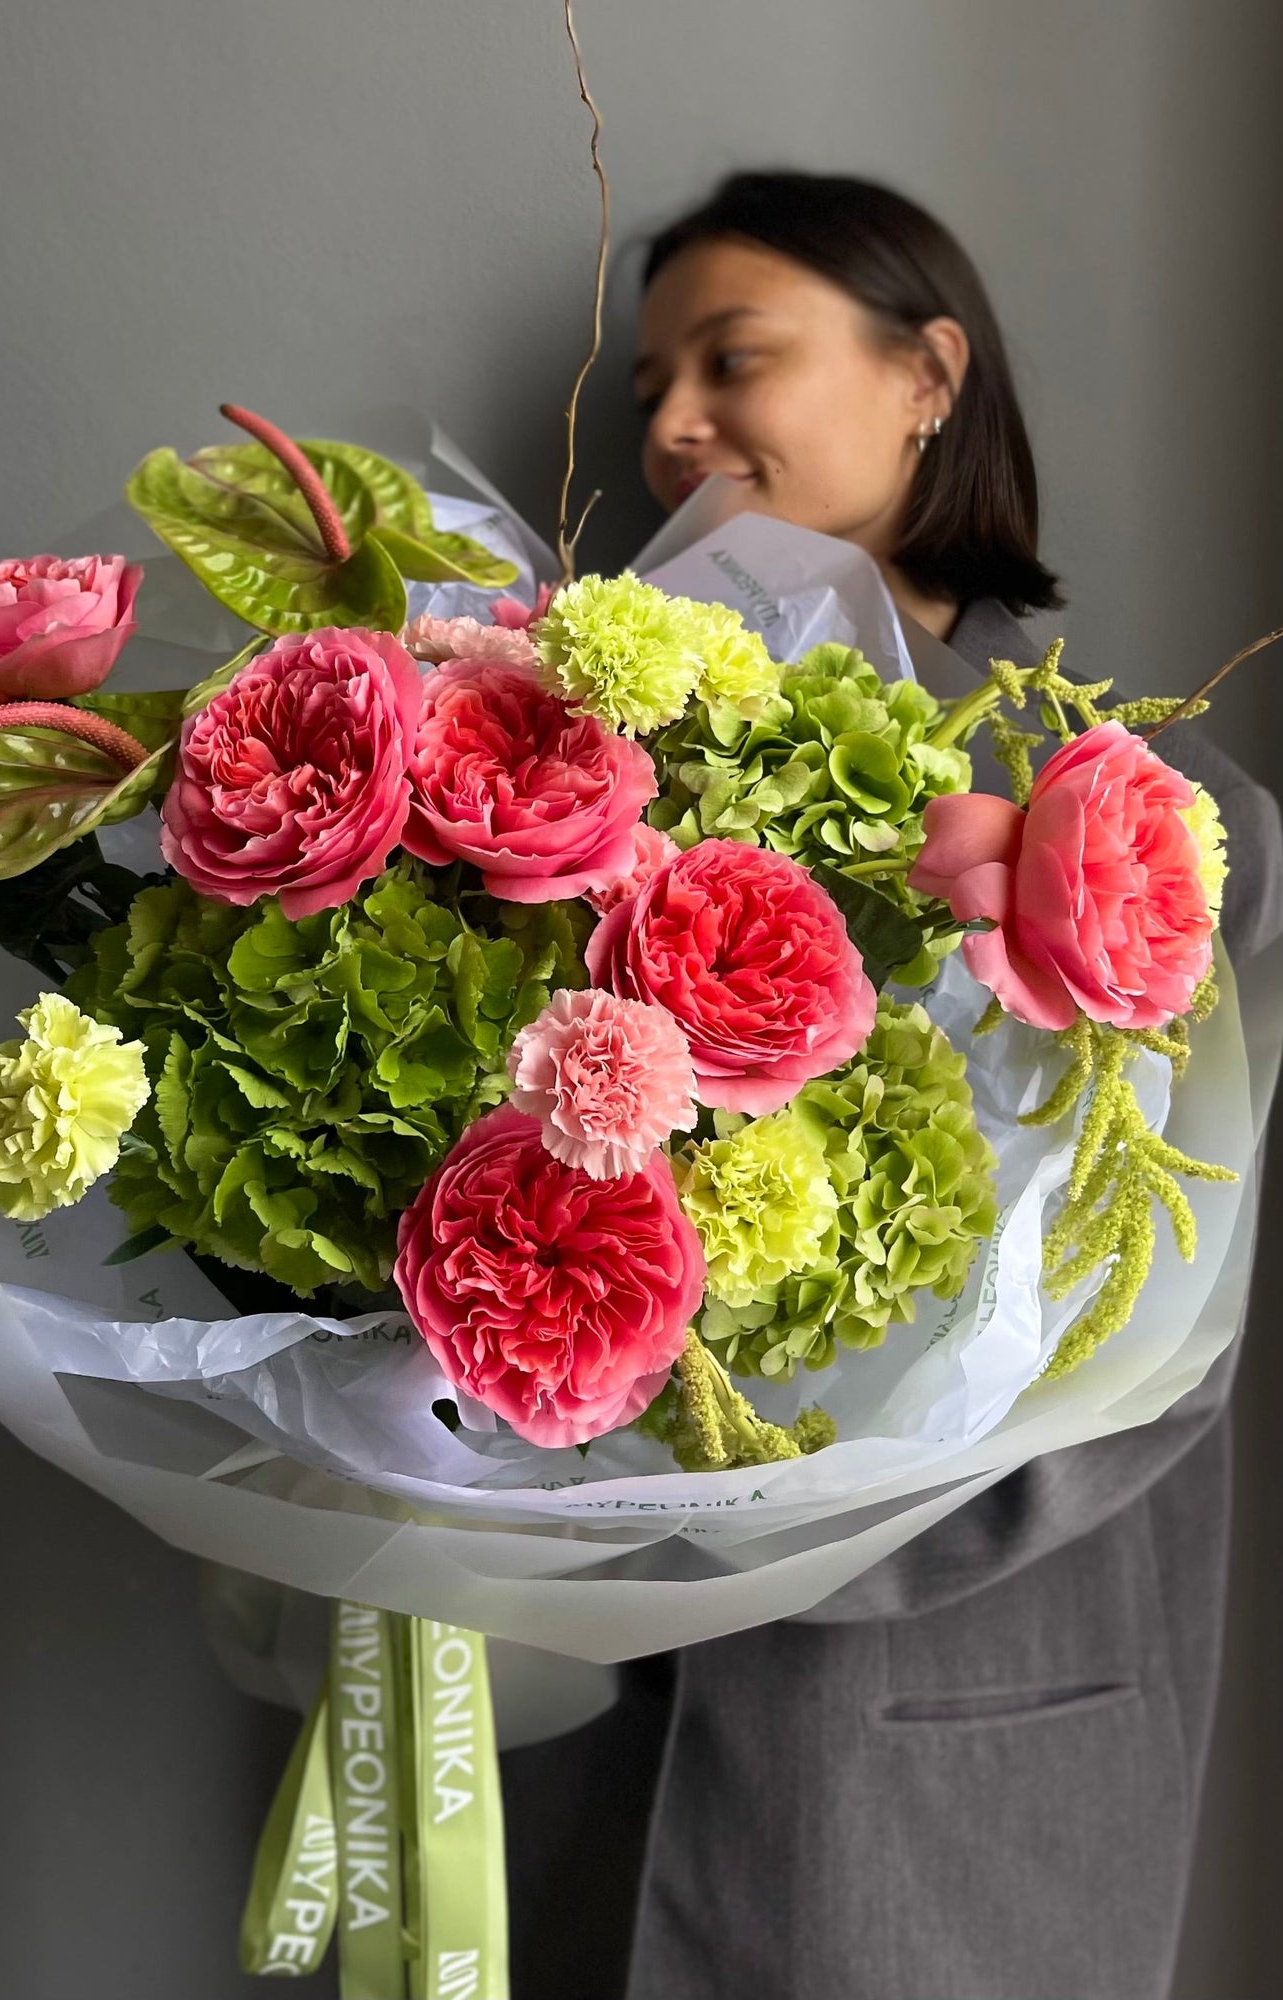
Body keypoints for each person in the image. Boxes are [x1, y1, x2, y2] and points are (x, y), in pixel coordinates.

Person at [499, 171, 1283, 2000]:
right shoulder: (598, 793)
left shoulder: (1154, 827)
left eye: (735, 357)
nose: (679, 420)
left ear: (928, 374)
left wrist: (715, 1551)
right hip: (587, 1724)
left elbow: (1151, 1341)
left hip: (933, 1728)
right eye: (650, 387)